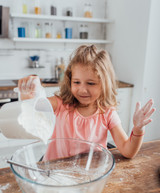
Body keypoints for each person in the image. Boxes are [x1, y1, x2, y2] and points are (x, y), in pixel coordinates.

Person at [18, 45, 155, 159]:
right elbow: (33, 107)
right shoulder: (61, 104)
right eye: (76, 82)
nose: (82, 89)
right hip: (56, 173)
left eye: (91, 83)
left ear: (104, 84)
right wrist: (29, 93)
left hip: (89, 174)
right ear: (69, 81)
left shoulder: (107, 113)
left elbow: (128, 151)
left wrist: (138, 128)